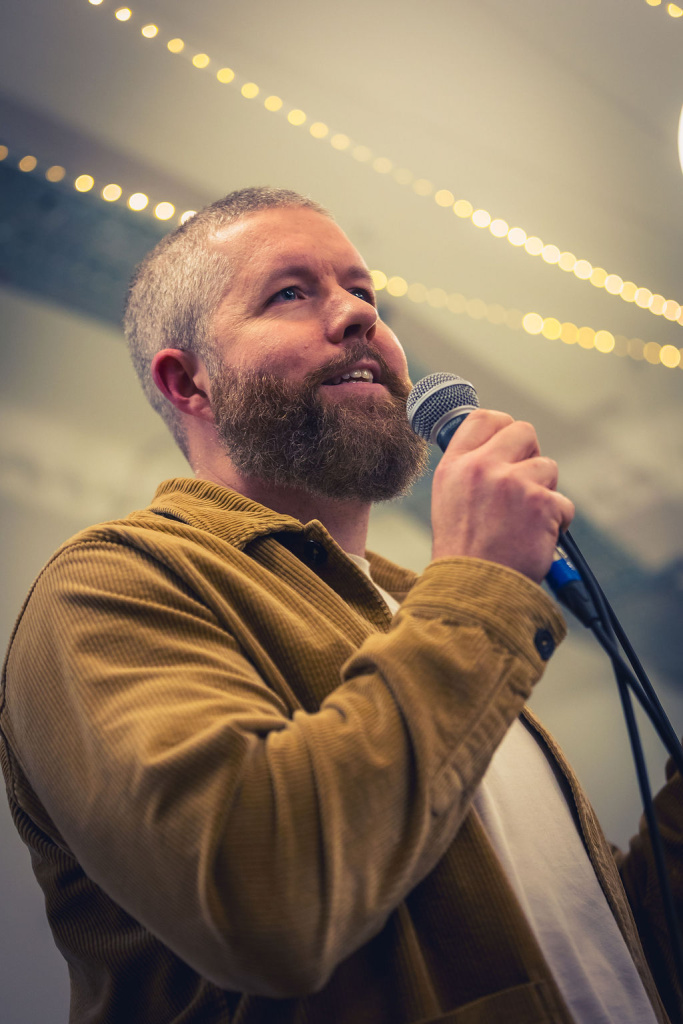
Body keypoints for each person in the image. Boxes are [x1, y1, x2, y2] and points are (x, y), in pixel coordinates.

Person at [0, 187, 679, 1024]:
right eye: (290, 293)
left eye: (366, 293)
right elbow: (263, 903)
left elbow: (605, 950)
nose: (360, 317)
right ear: (189, 382)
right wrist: (484, 584)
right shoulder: (116, 583)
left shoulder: (414, 607)